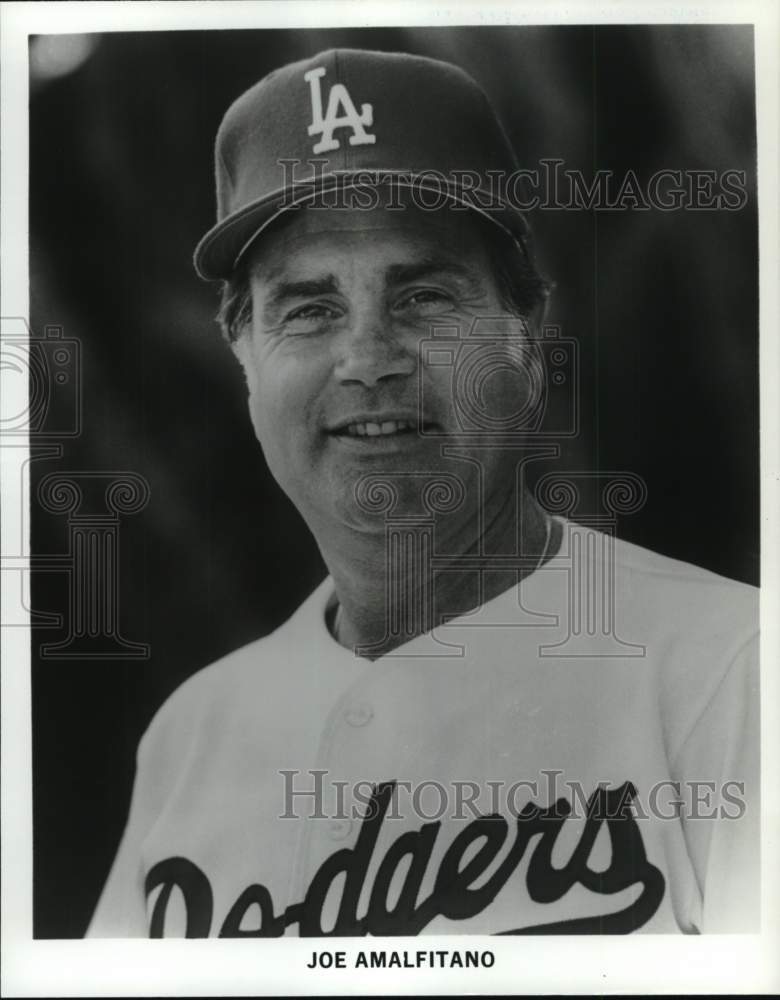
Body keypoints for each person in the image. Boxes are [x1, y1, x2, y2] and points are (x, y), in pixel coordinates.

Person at [87, 48, 759, 938]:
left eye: (426, 297)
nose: (368, 361)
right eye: (309, 309)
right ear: (243, 359)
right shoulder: (191, 737)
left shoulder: (735, 672)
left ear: (527, 333)